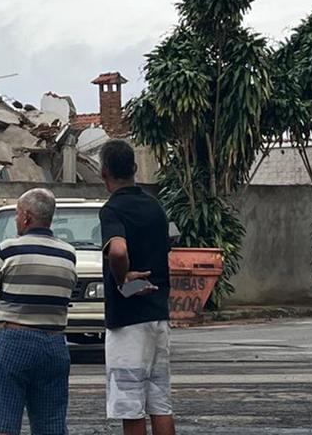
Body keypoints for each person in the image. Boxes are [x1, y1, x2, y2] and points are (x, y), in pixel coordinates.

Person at [0, 188, 78, 435]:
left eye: (16, 215)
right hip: (55, 345)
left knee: (5, 422)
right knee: (51, 424)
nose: (16, 220)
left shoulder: (9, 249)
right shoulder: (69, 254)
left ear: (26, 217)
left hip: (14, 340)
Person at [99, 139, 175, 435]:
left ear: (104, 172)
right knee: (160, 404)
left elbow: (117, 250)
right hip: (158, 313)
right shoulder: (154, 206)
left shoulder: (113, 209)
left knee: (131, 406)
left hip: (129, 321)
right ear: (133, 168)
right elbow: (170, 239)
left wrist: (123, 279)